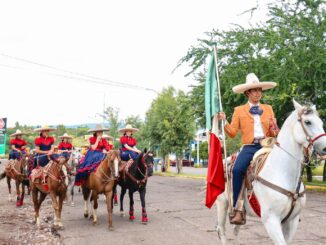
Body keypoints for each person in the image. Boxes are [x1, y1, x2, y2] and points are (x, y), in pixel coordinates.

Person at [217, 73, 279, 224]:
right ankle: (237, 208)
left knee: (284, 163)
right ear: (247, 93)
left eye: (259, 90)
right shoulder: (239, 110)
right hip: (249, 147)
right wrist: (224, 121)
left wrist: (274, 129)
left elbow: (273, 132)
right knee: (237, 170)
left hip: (267, 145)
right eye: (254, 90)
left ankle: (289, 203)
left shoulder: (268, 108)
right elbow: (232, 133)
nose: (258, 93)